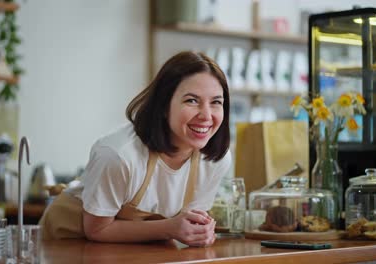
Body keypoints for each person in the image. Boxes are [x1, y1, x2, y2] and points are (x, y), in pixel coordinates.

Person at [39, 51, 232, 247]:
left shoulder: (215, 160)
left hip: (132, 247)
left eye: (216, 102)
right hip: (67, 242)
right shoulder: (119, 155)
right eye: (192, 100)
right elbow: (97, 229)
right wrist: (170, 228)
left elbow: (186, 224)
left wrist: (200, 231)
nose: (206, 115)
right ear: (164, 105)